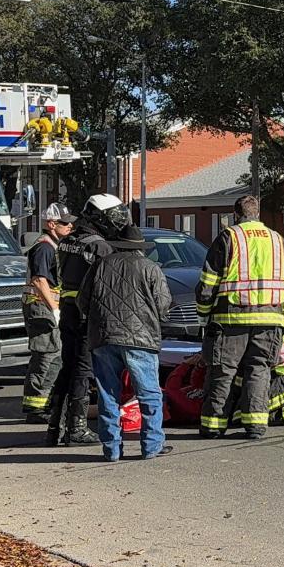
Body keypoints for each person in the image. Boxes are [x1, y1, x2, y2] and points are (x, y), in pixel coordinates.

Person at [196, 195, 284, 440]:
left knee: (223, 371)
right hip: (270, 320)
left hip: (231, 320)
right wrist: (281, 310)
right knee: (259, 370)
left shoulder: (229, 237)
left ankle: (213, 426)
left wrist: (204, 315)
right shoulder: (277, 239)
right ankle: (256, 426)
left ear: (236, 214)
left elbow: (208, 283)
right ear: (257, 213)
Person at [78, 223, 173, 462]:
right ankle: (152, 446)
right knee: (149, 394)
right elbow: (163, 304)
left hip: (103, 337)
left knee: (107, 394)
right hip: (141, 339)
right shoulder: (150, 268)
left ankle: (111, 449)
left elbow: (82, 301)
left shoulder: (99, 266)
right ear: (141, 248)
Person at [46, 194, 124, 446]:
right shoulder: (99, 246)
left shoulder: (68, 241)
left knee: (67, 367)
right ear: (99, 216)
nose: (117, 221)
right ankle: (76, 428)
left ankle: (54, 427)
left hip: (68, 310)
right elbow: (107, 287)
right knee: (82, 371)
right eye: (114, 215)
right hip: (86, 315)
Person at [19, 203, 75, 423]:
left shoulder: (53, 245)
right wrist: (54, 309)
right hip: (41, 309)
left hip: (45, 307)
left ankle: (44, 403)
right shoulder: (44, 248)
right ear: (51, 224)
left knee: (55, 355)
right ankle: (35, 408)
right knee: (46, 356)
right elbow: (40, 280)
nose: (70, 226)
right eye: (65, 222)